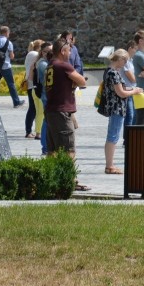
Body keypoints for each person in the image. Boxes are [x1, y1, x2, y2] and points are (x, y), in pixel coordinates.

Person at [44, 38, 89, 189]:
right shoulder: (63, 65)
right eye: (69, 50)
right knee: (68, 148)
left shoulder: (51, 65)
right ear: (63, 51)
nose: (70, 53)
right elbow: (82, 81)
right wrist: (76, 81)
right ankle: (70, 181)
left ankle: (51, 179)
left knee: (53, 149)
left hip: (51, 111)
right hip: (62, 112)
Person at [102, 49, 143, 174]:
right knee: (113, 136)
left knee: (113, 135)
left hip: (115, 106)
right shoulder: (113, 73)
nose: (125, 63)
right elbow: (121, 92)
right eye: (125, 60)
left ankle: (109, 165)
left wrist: (133, 88)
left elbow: (121, 88)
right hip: (116, 107)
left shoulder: (109, 71)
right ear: (120, 59)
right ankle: (109, 166)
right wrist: (134, 91)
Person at [0, 26, 24, 108]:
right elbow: (11, 56)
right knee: (11, 84)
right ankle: (16, 102)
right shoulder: (8, 42)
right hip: (6, 66)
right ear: (7, 32)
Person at [23, 39, 43, 138]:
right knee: (33, 108)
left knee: (33, 108)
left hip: (29, 83)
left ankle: (29, 130)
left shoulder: (29, 53)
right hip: (33, 84)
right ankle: (28, 131)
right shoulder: (35, 54)